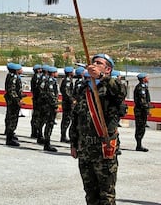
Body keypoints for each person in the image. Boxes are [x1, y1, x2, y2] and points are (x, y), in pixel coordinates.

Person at [70, 53, 126, 205]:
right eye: (93, 62)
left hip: (103, 147)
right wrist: (73, 143)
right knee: (90, 193)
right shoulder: (83, 89)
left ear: (108, 69)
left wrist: (101, 77)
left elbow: (121, 91)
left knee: (106, 196)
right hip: (85, 149)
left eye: (99, 63)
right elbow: (76, 118)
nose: (94, 64)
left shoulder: (111, 88)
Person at [4, 62, 25, 147]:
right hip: (13, 102)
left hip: (13, 100)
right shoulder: (13, 78)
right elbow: (12, 91)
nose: (21, 70)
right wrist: (17, 100)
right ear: (16, 70)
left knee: (12, 118)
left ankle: (11, 134)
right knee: (12, 118)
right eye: (20, 69)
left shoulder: (12, 76)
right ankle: (9, 138)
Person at [40, 66, 59, 152]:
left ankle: (46, 142)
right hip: (50, 106)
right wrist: (55, 105)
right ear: (53, 73)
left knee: (48, 123)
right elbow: (51, 95)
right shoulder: (51, 81)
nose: (57, 74)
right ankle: (47, 143)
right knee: (49, 124)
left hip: (47, 105)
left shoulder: (48, 80)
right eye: (56, 72)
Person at [133, 73, 151, 152]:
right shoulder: (140, 88)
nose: (148, 78)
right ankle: (139, 145)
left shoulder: (144, 87)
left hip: (142, 110)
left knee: (142, 128)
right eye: (147, 77)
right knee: (140, 128)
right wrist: (147, 109)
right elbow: (142, 101)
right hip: (140, 111)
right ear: (143, 79)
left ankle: (139, 144)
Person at [60, 66, 75, 143]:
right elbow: (66, 92)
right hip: (67, 103)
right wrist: (72, 100)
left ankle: (63, 136)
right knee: (66, 120)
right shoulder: (67, 81)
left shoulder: (67, 80)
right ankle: (63, 136)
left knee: (66, 120)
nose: (73, 72)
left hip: (66, 102)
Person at [30, 64, 43, 138]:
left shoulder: (36, 77)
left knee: (36, 115)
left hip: (36, 99)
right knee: (36, 116)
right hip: (37, 99)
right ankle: (35, 132)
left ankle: (35, 131)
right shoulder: (37, 78)